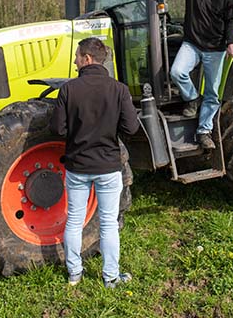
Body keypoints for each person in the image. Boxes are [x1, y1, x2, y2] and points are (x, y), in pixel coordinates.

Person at [117, 0, 233, 150]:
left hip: (215, 50)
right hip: (192, 44)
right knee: (177, 72)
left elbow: (230, 22)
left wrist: (232, 42)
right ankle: (192, 98)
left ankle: (204, 131)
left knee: (212, 93)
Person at [50, 37, 140, 288]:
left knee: (75, 220)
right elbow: (131, 127)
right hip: (108, 168)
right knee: (108, 223)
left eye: (77, 56)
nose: (75, 60)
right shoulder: (119, 89)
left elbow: (57, 128)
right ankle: (110, 277)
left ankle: (74, 274)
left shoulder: (68, 89)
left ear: (87, 59)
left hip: (77, 167)